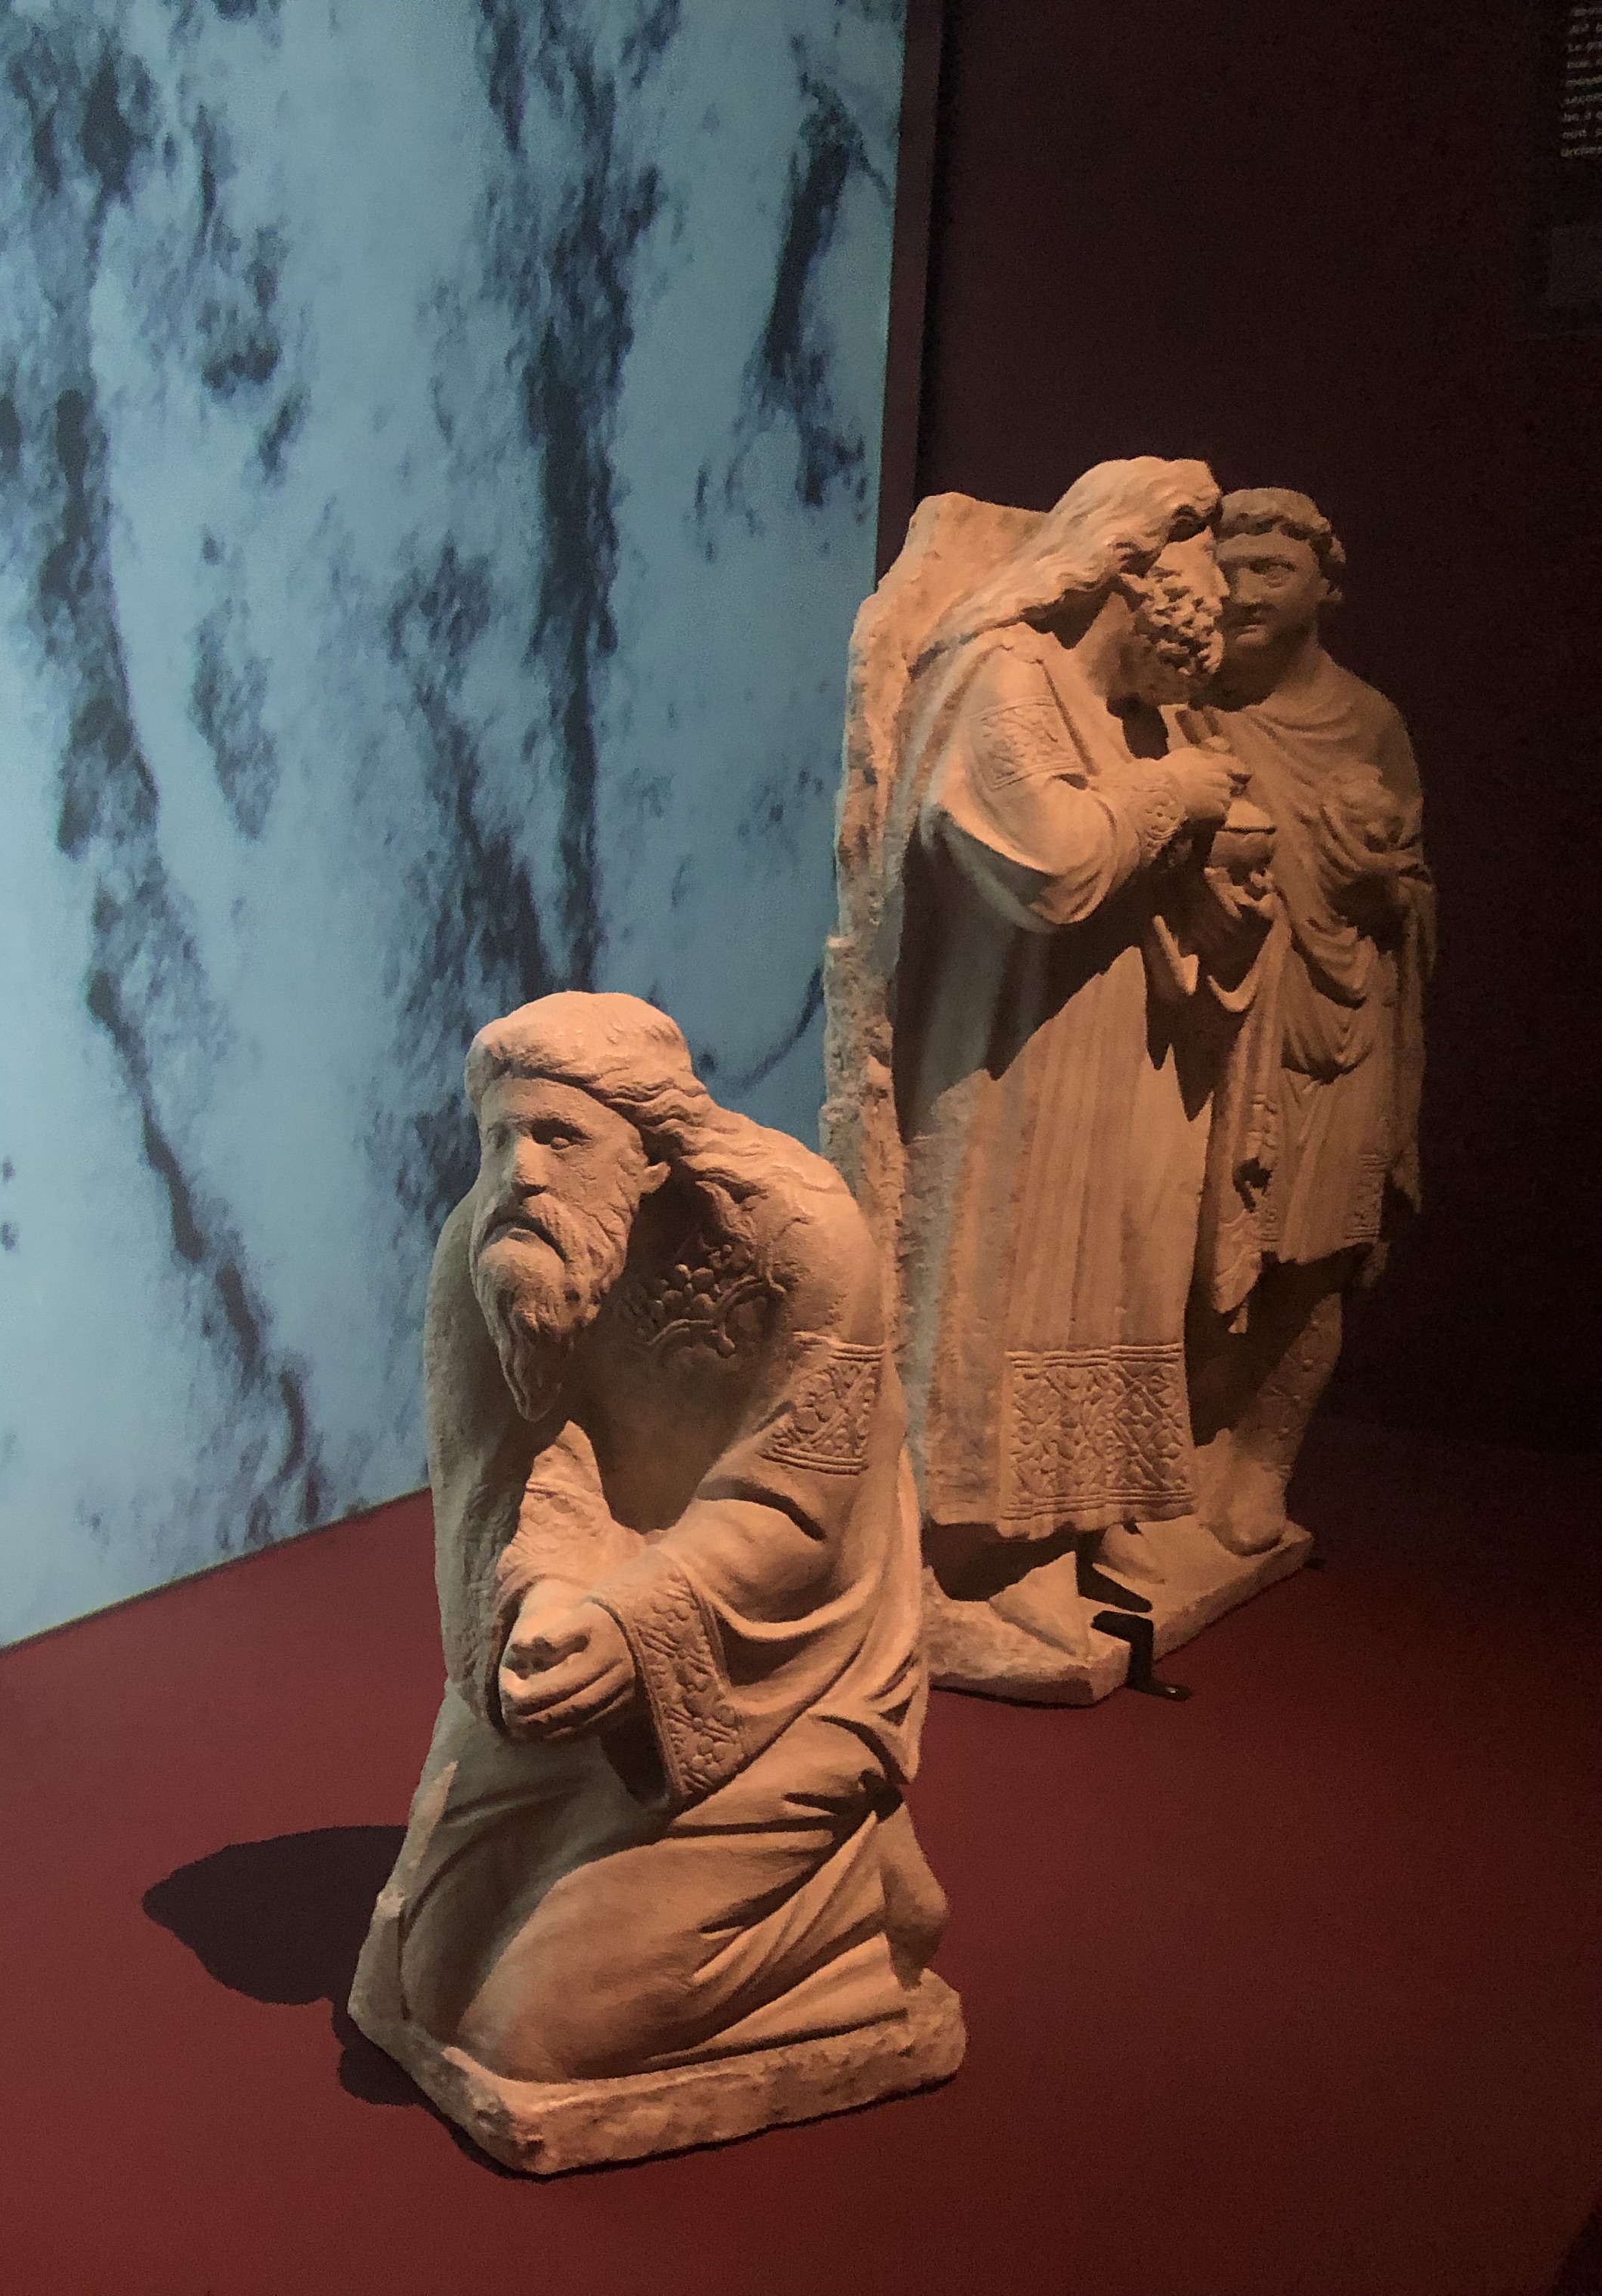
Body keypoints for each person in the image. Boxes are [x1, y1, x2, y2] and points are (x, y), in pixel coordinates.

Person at [349, 995, 958, 2171]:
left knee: (527, 2034)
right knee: (421, 1979)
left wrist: (636, 1625)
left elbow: (796, 1509)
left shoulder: (801, 1241)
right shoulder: (489, 1249)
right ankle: (795, 1881)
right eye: (499, 1135)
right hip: (581, 1618)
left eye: (560, 1136)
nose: (520, 1171)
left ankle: (856, 1915)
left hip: (782, 1673)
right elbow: (500, 1472)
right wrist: (541, 1605)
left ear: (653, 1149)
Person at [837, 458, 1284, 1698]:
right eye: (1195, 602)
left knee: (1099, 1285)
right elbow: (1044, 862)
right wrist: (1172, 795)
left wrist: (1213, 885)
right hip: (1009, 1064)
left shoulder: (1132, 719)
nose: (1204, 649)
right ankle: (961, 1567)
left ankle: (1053, 1537)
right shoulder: (1003, 675)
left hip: (1110, 1048)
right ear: (1128, 576)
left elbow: (1145, 871)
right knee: (1008, 1288)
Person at [1193, 488, 1434, 1552]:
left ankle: (1263, 1461)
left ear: (1323, 588)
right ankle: (1185, 1448)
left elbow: (1415, 892)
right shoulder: (1192, 706)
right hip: (1223, 1011)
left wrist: (1375, 883)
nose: (1244, 591)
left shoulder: (1370, 722)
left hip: (1341, 1023)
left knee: (1316, 1251)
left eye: (1271, 571)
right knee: (1199, 1252)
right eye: (1230, 569)